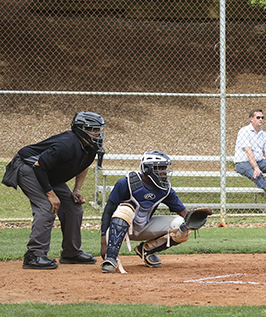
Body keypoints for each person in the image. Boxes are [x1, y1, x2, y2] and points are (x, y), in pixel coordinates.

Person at [4, 112, 106, 270]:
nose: (97, 133)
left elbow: (84, 164)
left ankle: (71, 253)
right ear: (81, 129)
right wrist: (51, 194)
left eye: (98, 129)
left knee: (74, 208)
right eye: (93, 129)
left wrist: (77, 189)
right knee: (47, 207)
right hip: (28, 167)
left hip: (47, 172)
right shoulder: (66, 145)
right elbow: (39, 166)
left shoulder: (91, 145)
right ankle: (34, 255)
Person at [100, 151, 193, 273]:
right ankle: (111, 258)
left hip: (144, 227)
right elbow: (108, 211)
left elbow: (184, 213)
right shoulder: (126, 183)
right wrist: (103, 240)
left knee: (181, 225)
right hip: (121, 228)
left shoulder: (165, 189)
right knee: (125, 210)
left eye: (165, 168)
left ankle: (146, 250)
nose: (165, 172)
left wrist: (194, 218)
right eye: (160, 168)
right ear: (147, 169)